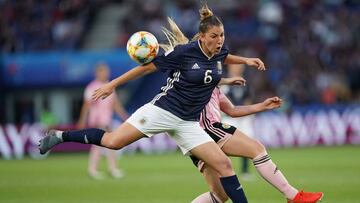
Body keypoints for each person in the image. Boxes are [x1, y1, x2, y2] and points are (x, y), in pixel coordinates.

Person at [39, 4, 266, 203]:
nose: (220, 41)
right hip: (162, 110)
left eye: (222, 35)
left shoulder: (218, 52)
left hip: (188, 123)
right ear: (202, 36)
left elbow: (223, 57)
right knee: (113, 141)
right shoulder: (184, 52)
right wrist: (112, 85)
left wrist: (245, 60)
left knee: (225, 165)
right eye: (215, 36)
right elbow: (146, 68)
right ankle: (59, 136)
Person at [190, 87, 324, 203]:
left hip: (196, 135)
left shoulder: (212, 81)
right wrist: (245, 61)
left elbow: (232, 110)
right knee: (257, 149)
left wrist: (262, 106)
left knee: (219, 196)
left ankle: (293, 197)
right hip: (207, 128)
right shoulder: (200, 73)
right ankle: (293, 196)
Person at [78, 63, 129, 179]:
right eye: (104, 71)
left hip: (107, 119)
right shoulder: (92, 87)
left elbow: (115, 105)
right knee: (101, 145)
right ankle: (97, 169)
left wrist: (124, 116)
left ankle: (108, 168)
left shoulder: (109, 86)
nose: (106, 73)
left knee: (109, 143)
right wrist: (82, 120)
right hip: (98, 120)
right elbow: (86, 105)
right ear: (97, 73)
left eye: (107, 71)